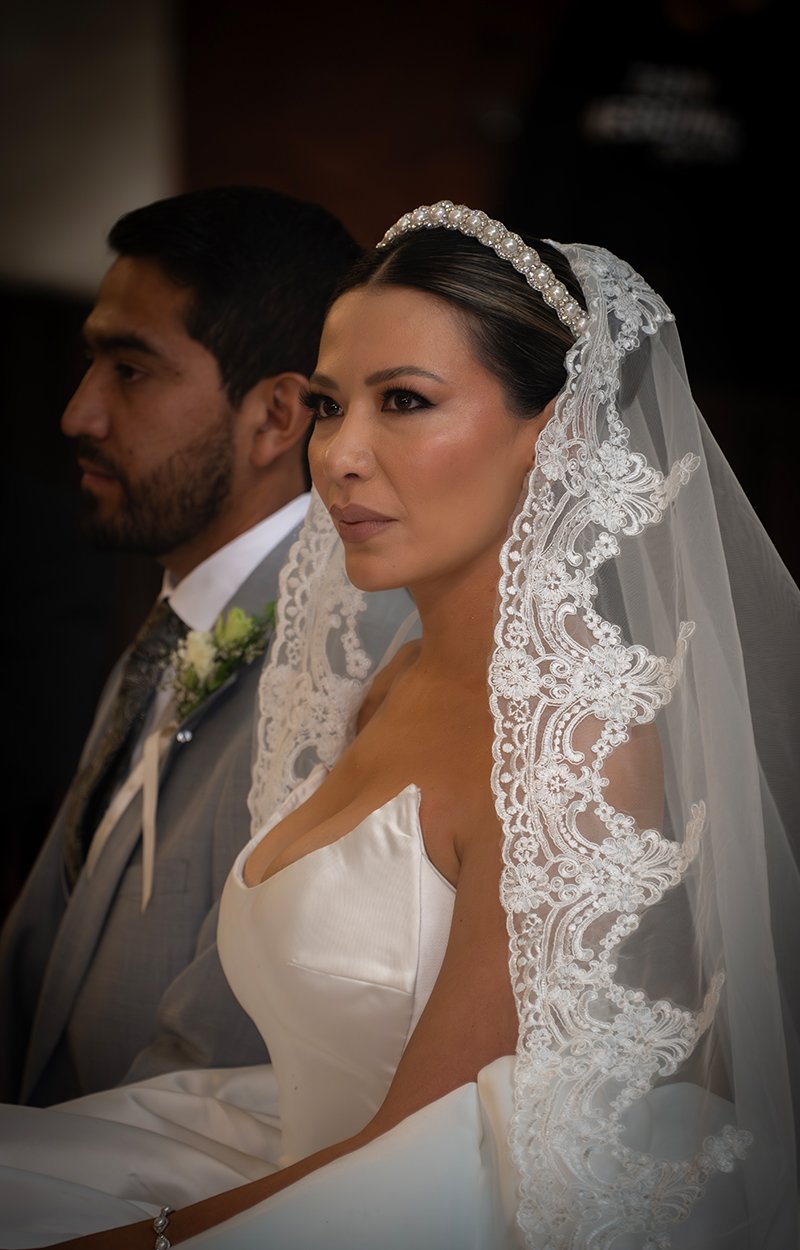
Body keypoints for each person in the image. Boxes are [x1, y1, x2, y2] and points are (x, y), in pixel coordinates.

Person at [0, 200, 797, 1248]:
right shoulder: (388, 680)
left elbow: (429, 1157)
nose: (340, 455)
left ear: (553, 433)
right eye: (330, 406)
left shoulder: (575, 749)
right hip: (277, 1155)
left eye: (405, 401)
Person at [0, 186, 409, 1106]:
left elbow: (224, 1070)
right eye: (90, 363)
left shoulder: (347, 666)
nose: (78, 414)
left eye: (130, 370)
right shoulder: (174, 625)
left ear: (277, 417)